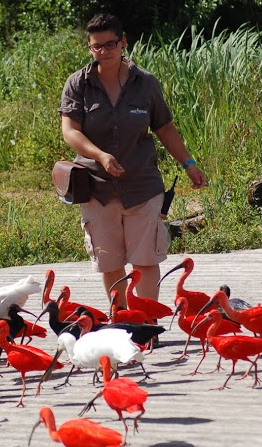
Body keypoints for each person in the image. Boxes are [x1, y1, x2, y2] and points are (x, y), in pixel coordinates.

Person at [58, 13, 207, 310]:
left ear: (123, 43)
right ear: (89, 48)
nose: (104, 51)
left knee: (145, 260)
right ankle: (123, 320)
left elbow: (164, 127)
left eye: (110, 44)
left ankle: (147, 322)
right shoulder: (78, 84)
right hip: (97, 187)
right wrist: (100, 154)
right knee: (110, 262)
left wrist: (188, 163)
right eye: (96, 46)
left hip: (142, 185)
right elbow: (70, 131)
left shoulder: (146, 84)